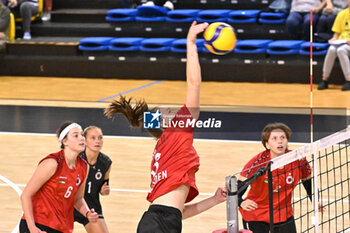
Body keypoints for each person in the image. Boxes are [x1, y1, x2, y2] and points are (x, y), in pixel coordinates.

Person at [104, 21, 226, 233]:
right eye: (168, 112)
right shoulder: (177, 134)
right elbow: (194, 84)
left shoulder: (166, 144)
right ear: (165, 123)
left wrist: (214, 200)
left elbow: (178, 213)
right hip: (158, 222)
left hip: (161, 221)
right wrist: (190, 43)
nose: (175, 111)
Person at [20, 121, 99, 233]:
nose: (81, 138)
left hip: (62, 228)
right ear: (65, 141)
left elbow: (78, 199)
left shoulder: (84, 167)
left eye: (82, 134)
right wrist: (32, 228)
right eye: (76, 135)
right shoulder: (52, 163)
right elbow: (25, 195)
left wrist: (87, 213)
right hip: (39, 225)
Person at [237, 123, 316, 233]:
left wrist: (315, 201)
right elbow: (235, 192)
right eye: (274, 138)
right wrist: (241, 202)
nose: (280, 141)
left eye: (283, 138)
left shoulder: (298, 160)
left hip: (283, 214)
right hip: (256, 214)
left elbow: (307, 182)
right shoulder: (257, 163)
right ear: (267, 144)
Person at [74, 126, 112, 233]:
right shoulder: (76, 159)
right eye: (93, 138)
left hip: (91, 206)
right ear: (85, 141)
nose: (97, 141)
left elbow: (103, 187)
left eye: (100, 138)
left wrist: (104, 191)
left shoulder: (106, 162)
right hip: (70, 205)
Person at [318, 0, 350, 91]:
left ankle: (348, 80)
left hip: (347, 44)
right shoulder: (342, 14)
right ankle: (324, 79)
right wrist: (334, 38)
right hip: (342, 41)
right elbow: (336, 33)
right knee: (332, 49)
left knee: (341, 50)